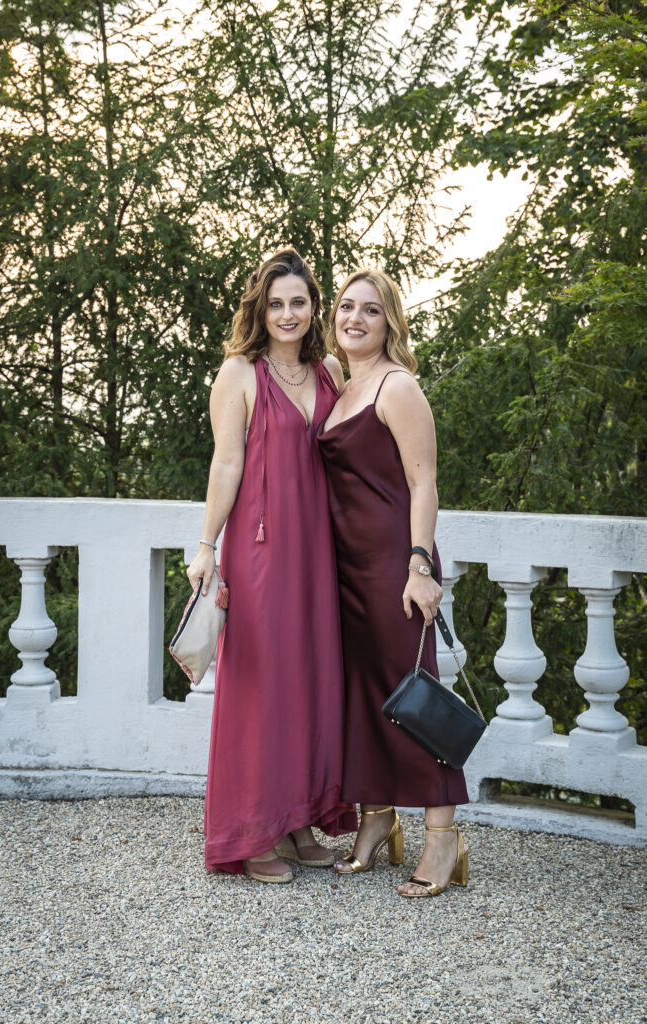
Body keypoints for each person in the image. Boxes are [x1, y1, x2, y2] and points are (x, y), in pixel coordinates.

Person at [186, 248, 357, 883]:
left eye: (300, 302)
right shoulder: (238, 372)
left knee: (310, 680)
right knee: (260, 686)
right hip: (260, 550)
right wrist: (207, 546)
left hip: (320, 547)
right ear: (261, 308)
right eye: (277, 303)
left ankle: (296, 820)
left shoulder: (329, 370)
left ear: (314, 308)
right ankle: (251, 829)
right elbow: (226, 462)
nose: (288, 314)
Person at [317, 269, 470, 898]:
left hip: (393, 564)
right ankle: (376, 819)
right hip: (344, 568)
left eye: (371, 310)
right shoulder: (338, 383)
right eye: (346, 306)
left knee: (415, 698)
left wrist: (419, 565)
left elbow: (423, 482)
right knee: (362, 696)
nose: (355, 318)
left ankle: (443, 837)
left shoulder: (397, 386)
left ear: (390, 323)